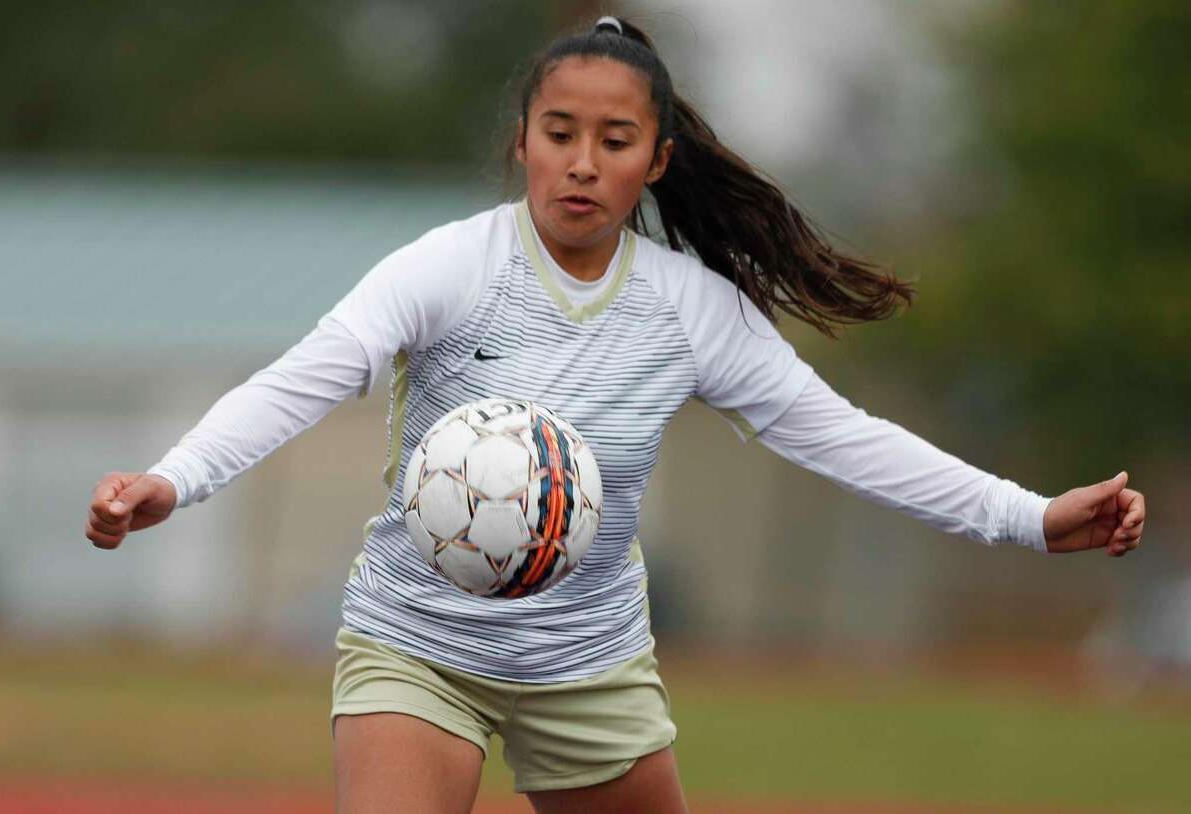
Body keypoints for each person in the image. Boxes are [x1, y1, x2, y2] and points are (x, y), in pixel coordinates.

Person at [83, 15, 1147, 814]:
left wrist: (1031, 515)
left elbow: (843, 436)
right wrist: (175, 478)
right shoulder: (450, 268)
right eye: (559, 132)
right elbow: (304, 375)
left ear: (657, 161)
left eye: (614, 139)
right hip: (417, 642)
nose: (582, 161)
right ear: (522, 143)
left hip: (585, 660)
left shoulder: (689, 311)